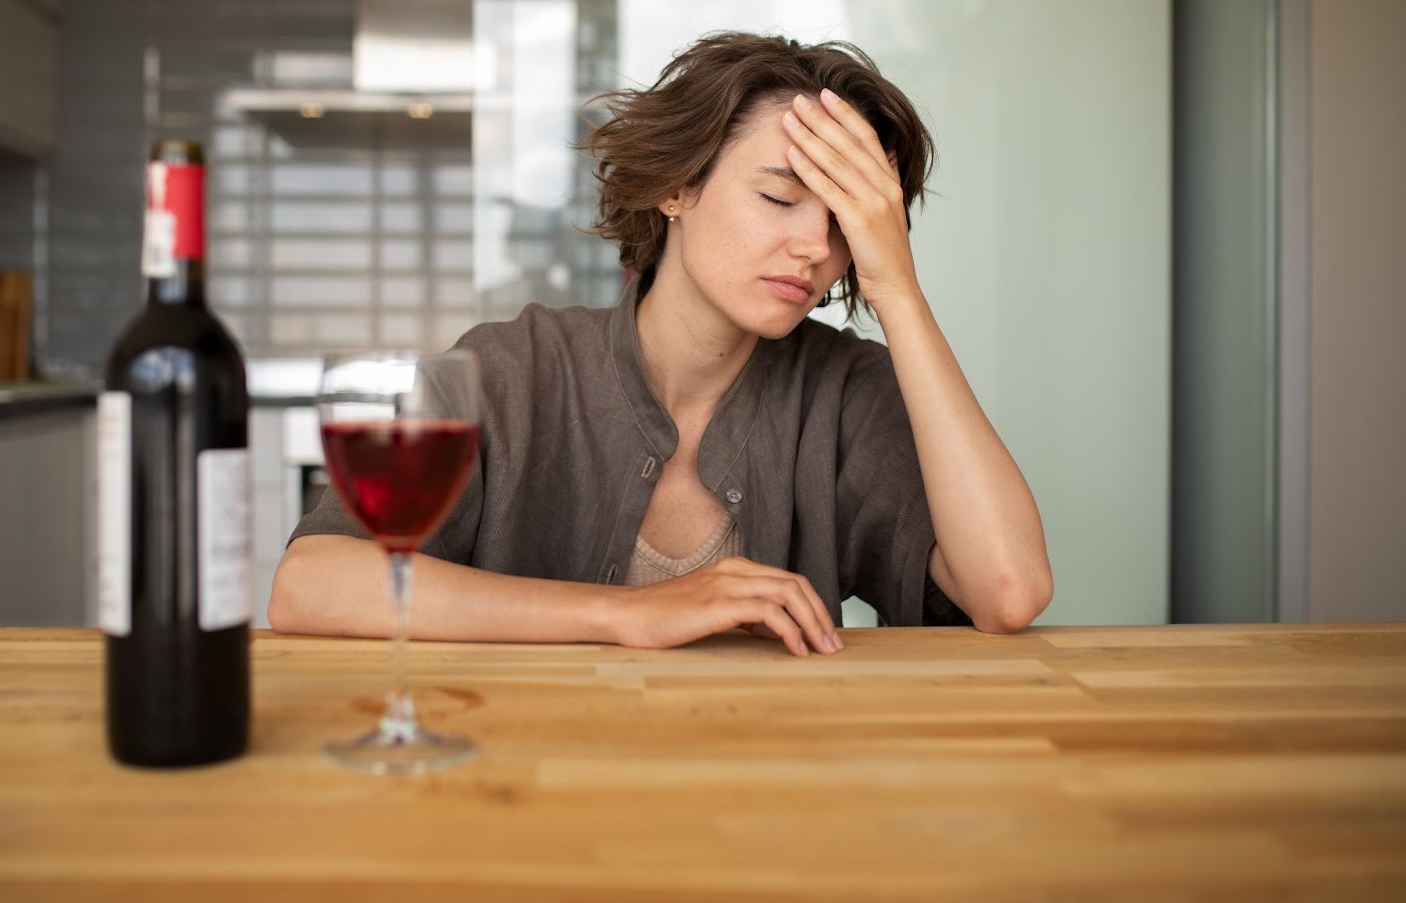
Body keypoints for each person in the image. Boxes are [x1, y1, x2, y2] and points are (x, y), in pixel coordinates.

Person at [269, 32, 1051, 655]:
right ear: (679, 187)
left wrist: (898, 292)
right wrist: (626, 615)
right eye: (780, 196)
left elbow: (1009, 591)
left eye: (846, 221)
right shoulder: (516, 367)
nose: (815, 246)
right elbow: (310, 584)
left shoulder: (844, 392)